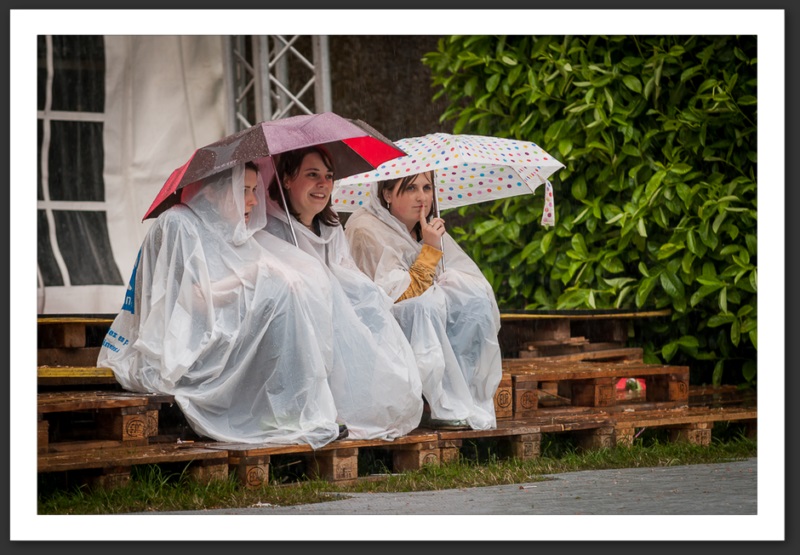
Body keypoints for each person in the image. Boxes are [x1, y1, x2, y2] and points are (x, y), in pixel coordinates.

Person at [97, 162, 346, 449]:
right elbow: (192, 301)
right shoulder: (179, 223)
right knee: (276, 295)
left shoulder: (223, 227)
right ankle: (287, 411)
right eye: (243, 190)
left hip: (211, 335)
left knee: (287, 290)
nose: (253, 200)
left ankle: (294, 408)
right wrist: (251, 277)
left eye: (254, 190)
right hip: (179, 348)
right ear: (213, 193)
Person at [262, 146, 424, 440]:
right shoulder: (268, 225)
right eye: (312, 175)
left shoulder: (331, 226)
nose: (323, 184)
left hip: (331, 312)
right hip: (291, 323)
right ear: (286, 179)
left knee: (372, 308)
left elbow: (347, 274)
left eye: (328, 176)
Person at [343, 170, 502, 430]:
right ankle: (440, 402)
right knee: (424, 307)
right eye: (410, 189)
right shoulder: (365, 229)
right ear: (386, 194)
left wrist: (435, 250)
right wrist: (429, 251)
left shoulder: (425, 227)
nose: (422, 198)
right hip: (379, 328)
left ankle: (468, 396)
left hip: (423, 320)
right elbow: (397, 298)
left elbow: (460, 279)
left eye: (427, 188)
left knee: (473, 298)